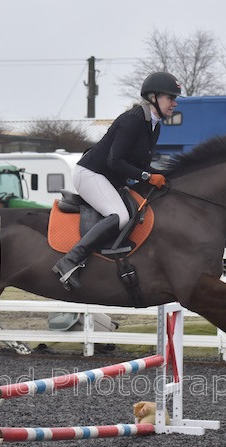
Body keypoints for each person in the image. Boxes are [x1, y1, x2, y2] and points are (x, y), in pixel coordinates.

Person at [52, 71, 181, 290]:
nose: (175, 103)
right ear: (154, 98)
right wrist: (147, 176)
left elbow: (139, 164)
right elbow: (115, 161)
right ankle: (70, 260)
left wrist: (161, 176)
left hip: (109, 178)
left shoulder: (154, 125)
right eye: (170, 98)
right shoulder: (133, 120)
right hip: (91, 174)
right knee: (119, 216)